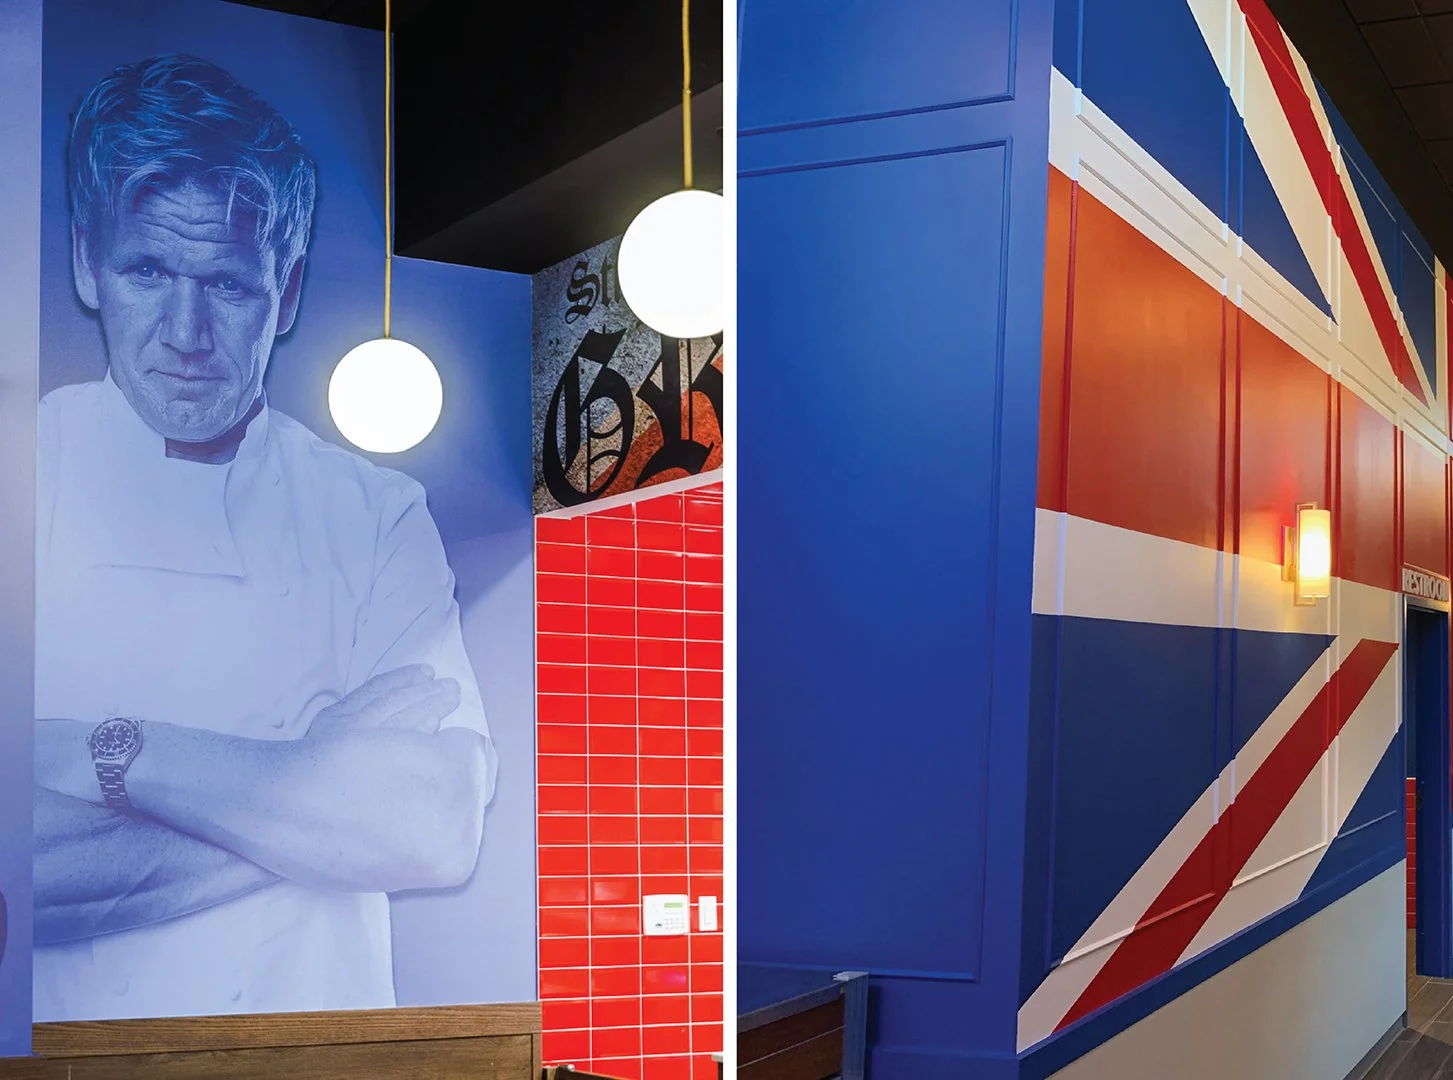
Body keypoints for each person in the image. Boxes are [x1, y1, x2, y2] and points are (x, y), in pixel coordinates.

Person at [31, 53, 497, 1022]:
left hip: (323, 1052)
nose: (185, 331)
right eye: (148, 269)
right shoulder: (21, 483)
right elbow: (15, 860)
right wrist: (312, 786)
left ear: (283, 294)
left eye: (230, 286)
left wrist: (110, 755)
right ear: (87, 263)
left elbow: (434, 827)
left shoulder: (375, 514)